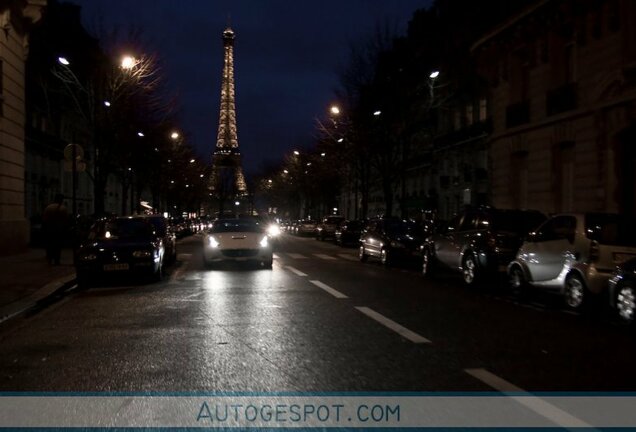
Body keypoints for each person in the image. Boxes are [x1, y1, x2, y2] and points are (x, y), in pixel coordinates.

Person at [42, 193, 69, 265]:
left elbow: (44, 220)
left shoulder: (48, 208)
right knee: (58, 246)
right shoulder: (63, 208)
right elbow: (66, 221)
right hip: (59, 230)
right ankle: (57, 260)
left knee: (49, 245)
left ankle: (50, 259)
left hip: (49, 230)